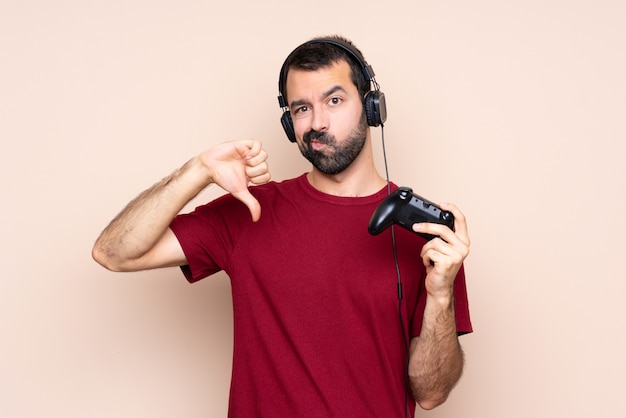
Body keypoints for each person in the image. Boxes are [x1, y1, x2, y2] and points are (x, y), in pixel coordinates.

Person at [92, 35, 473, 417]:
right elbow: (113, 253)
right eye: (301, 108)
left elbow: (430, 393)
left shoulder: (429, 235)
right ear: (289, 123)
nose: (317, 123)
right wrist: (199, 171)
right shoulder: (250, 210)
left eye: (334, 100)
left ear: (372, 107)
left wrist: (440, 296)